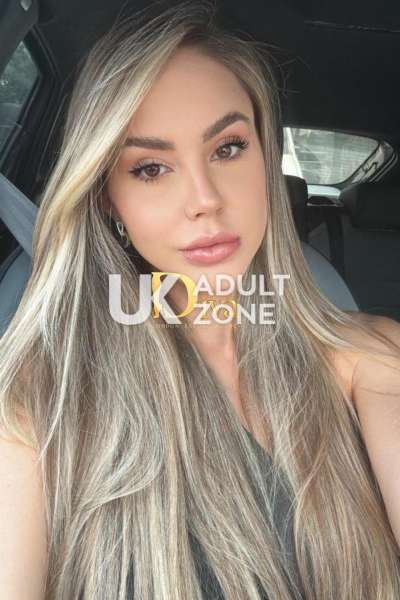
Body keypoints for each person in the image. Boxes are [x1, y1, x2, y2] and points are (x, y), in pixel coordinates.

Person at [1, 1, 400, 598]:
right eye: (150, 168)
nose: (205, 198)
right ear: (107, 196)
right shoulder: (39, 399)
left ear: (267, 160)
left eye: (228, 148)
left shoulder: (373, 353)